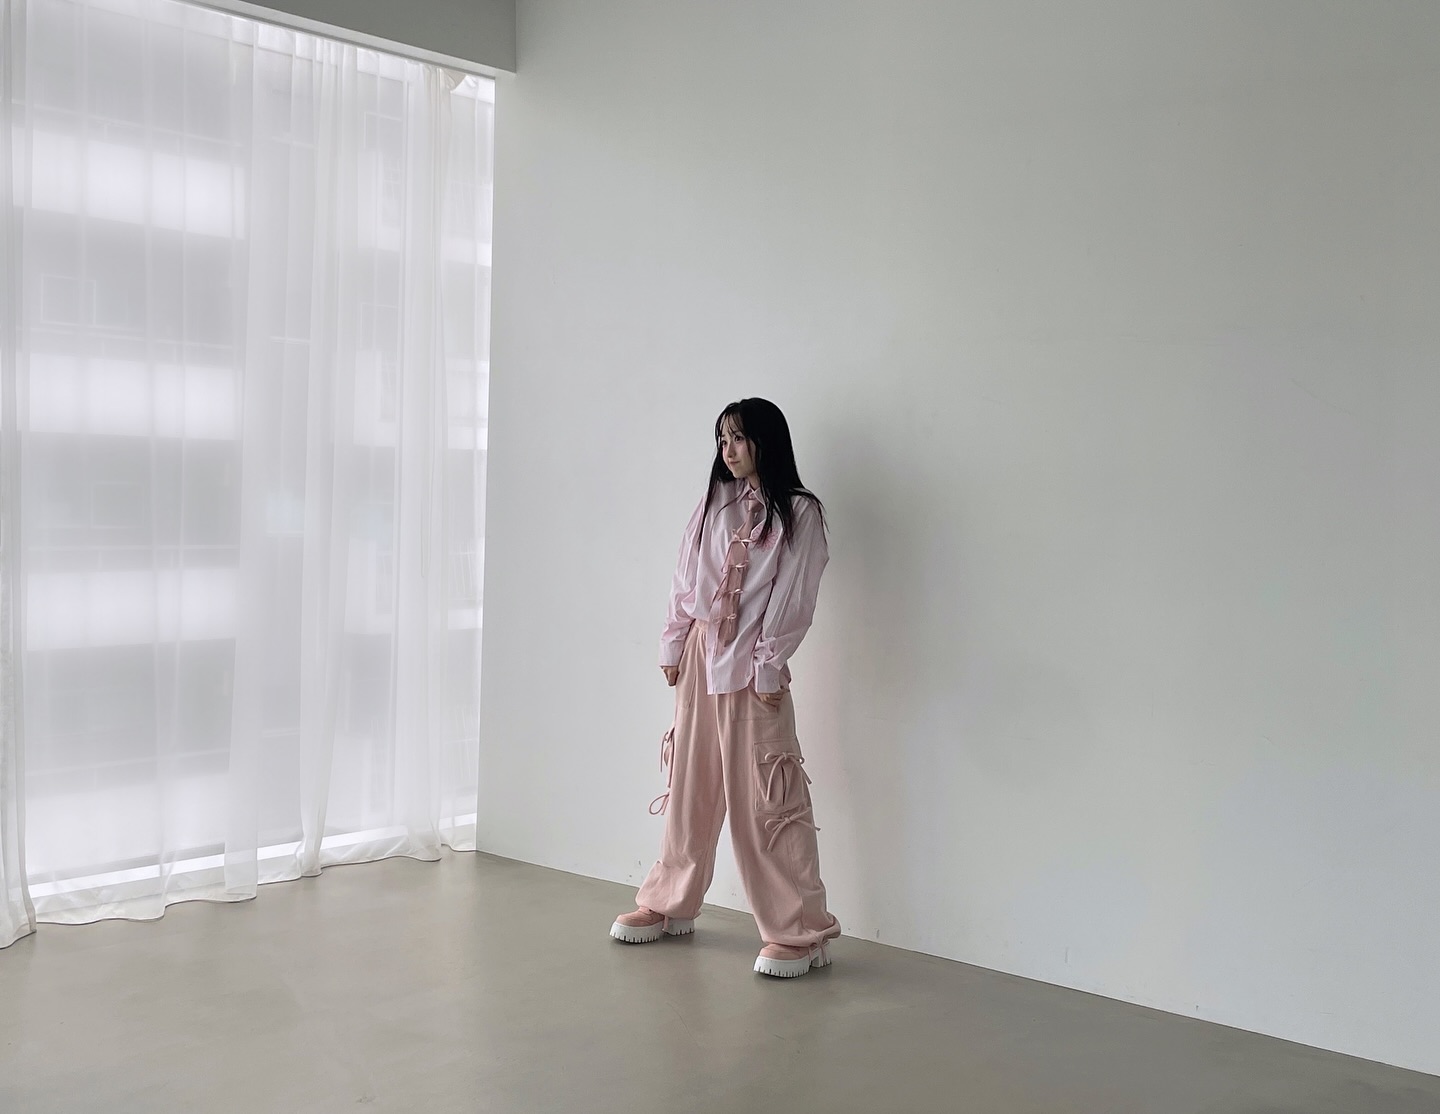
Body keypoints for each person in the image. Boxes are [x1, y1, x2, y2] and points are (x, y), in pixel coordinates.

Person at [610, 398, 841, 978]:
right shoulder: (715, 503)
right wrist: (673, 645)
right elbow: (686, 578)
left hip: (752, 669)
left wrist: (769, 664)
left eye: (738, 438)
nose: (728, 450)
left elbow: (794, 595)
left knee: (769, 798)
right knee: (690, 786)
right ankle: (670, 902)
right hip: (700, 660)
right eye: (722, 439)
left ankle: (800, 930)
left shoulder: (799, 511)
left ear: (766, 440)